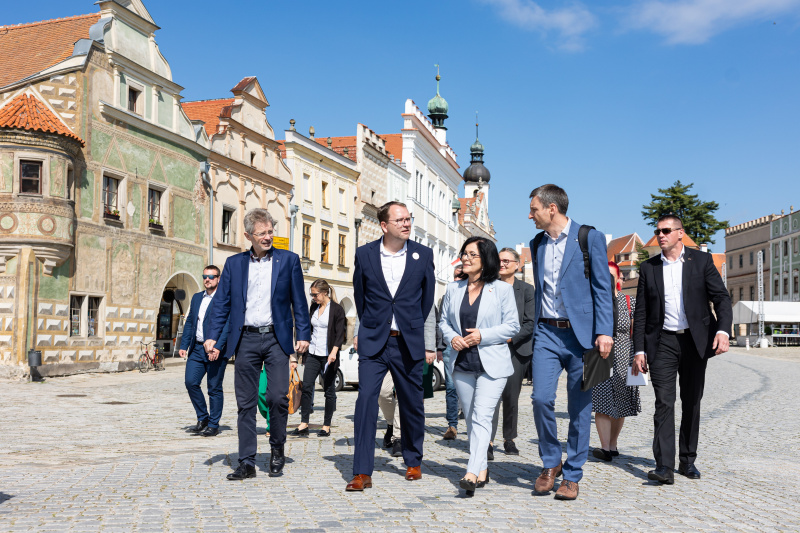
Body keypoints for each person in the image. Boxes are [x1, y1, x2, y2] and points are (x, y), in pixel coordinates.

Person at [204, 208, 310, 481]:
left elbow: (299, 301)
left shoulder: (288, 261)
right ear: (248, 235)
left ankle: (277, 449)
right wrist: (212, 335)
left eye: (270, 232)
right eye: (262, 233)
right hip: (246, 339)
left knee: (277, 397)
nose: (267, 237)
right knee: (246, 403)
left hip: (277, 339)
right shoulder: (234, 264)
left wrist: (303, 334)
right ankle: (247, 462)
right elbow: (222, 303)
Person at [528, 184, 614, 501]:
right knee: (540, 399)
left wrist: (604, 331)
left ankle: (573, 474)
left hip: (583, 336)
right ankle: (551, 462)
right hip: (547, 333)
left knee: (579, 408)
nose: (530, 215)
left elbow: (602, 288)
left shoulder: (589, 237)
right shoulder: (537, 243)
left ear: (552, 208)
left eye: (534, 209)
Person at [632, 214, 732, 484]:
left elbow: (721, 298)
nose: (660, 235)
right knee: (664, 402)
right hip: (662, 342)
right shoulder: (649, 267)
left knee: (692, 401)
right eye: (658, 231)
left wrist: (723, 331)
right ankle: (664, 466)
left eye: (666, 231)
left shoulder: (701, 261)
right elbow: (641, 312)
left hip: (695, 341)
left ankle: (688, 460)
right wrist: (639, 350)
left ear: (680, 233)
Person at [346, 201, 436, 492]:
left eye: (408, 219)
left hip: (408, 341)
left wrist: (414, 328)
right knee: (365, 401)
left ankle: (413, 459)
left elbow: (426, 301)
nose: (406, 224)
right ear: (384, 225)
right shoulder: (365, 254)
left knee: (412, 403)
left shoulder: (423, 255)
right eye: (400, 220)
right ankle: (362, 471)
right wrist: (371, 326)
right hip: (374, 341)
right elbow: (360, 297)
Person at [440, 237, 520, 496]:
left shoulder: (501, 289)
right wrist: (452, 336)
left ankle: (472, 472)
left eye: (472, 254)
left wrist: (482, 335)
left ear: (485, 259)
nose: (465, 258)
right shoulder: (453, 288)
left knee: (482, 416)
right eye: (464, 253)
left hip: (492, 364)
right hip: (462, 363)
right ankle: (483, 467)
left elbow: (512, 326)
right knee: (472, 421)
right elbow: (443, 321)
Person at [591, 261, 641, 461]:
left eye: (612, 276)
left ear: (619, 278)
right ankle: (604, 447)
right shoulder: (594, 300)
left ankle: (613, 444)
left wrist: (640, 355)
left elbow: (636, 331)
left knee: (622, 403)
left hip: (624, 356)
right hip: (599, 356)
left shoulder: (629, 302)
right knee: (601, 401)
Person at [490, 247, 535, 457]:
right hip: (491, 347)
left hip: (516, 349)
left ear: (517, 265)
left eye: (507, 261)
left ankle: (509, 439)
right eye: (499, 260)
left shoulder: (526, 290)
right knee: (490, 396)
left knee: (510, 396)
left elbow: (530, 322)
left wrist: (509, 338)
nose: (502, 264)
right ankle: (487, 441)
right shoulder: (488, 286)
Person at [179, 265, 231, 437]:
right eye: (205, 277)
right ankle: (203, 418)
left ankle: (214, 424)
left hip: (216, 351)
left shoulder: (225, 298)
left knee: (214, 388)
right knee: (191, 382)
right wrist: (183, 345)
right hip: (197, 348)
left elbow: (227, 326)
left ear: (218, 279)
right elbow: (190, 322)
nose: (207, 280)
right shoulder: (196, 298)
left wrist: (218, 347)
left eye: (211, 277)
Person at [293, 279, 346, 438]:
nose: (313, 297)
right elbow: (309, 328)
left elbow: (340, 334)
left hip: (328, 356)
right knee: (307, 387)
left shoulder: (337, 309)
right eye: (312, 294)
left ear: (324, 293)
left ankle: (326, 426)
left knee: (329, 391)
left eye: (315, 294)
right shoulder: (314, 307)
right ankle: (304, 423)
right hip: (313, 354)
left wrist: (334, 352)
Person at [442, 264, 466, 440]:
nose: (457, 279)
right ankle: (452, 425)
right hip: (451, 345)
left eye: (461, 276)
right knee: (451, 388)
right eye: (456, 276)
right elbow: (441, 321)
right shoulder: (447, 295)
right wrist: (439, 347)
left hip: (472, 343)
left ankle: (474, 423)